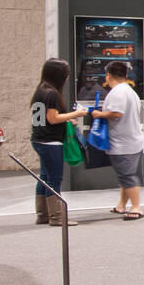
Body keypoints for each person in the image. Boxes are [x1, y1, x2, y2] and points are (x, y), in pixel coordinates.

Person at [29, 58, 88, 227]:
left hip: (39, 139)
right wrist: (76, 114)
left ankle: (43, 215)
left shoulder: (41, 90)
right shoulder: (52, 93)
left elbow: (43, 119)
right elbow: (53, 119)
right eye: (66, 73)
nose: (68, 76)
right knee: (54, 178)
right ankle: (56, 217)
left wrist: (67, 119)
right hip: (50, 142)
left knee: (44, 177)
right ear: (59, 75)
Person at [89, 62, 144, 219]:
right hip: (132, 140)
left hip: (123, 143)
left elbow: (116, 113)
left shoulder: (118, 92)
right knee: (125, 175)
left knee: (128, 176)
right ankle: (122, 205)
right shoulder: (129, 91)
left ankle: (136, 207)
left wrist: (99, 115)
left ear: (108, 75)